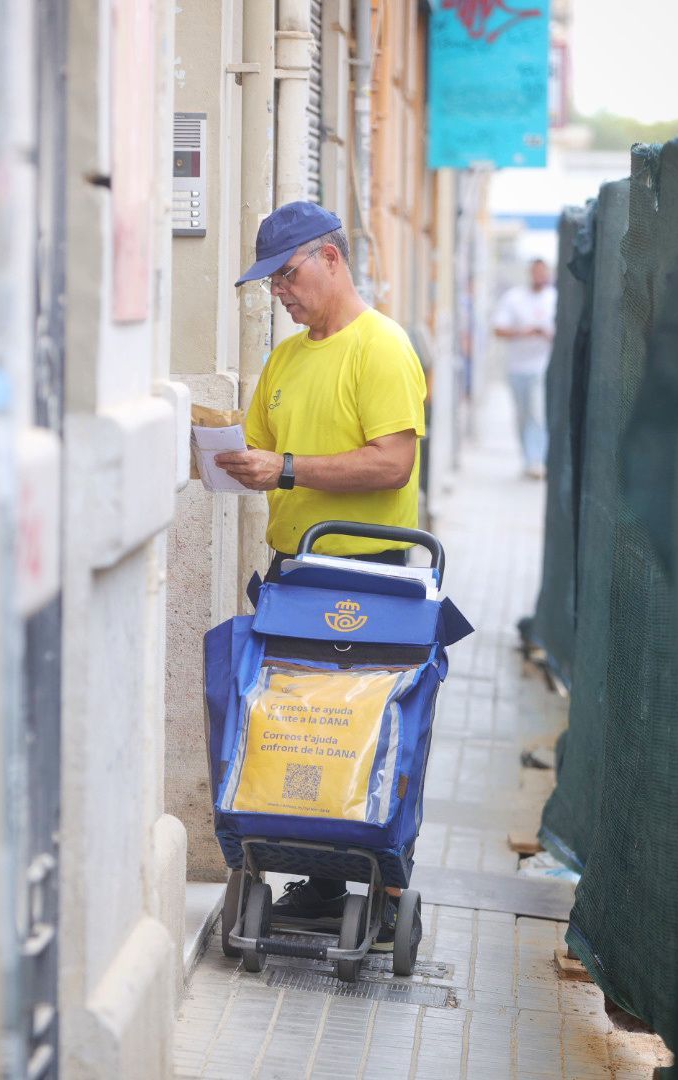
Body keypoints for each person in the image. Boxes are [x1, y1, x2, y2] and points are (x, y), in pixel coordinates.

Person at [213, 201, 427, 949]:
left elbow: (394, 460)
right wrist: (226, 457)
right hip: (294, 571)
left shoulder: (382, 348)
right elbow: (264, 457)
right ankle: (319, 874)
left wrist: (291, 468)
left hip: (368, 574)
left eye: (288, 272)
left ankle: (385, 879)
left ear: (331, 258)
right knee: (296, 726)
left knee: (365, 724)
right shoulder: (288, 358)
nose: (280, 290)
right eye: (270, 280)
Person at [492, 257, 557, 479]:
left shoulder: (554, 299)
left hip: (542, 367)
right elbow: (498, 330)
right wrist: (524, 333)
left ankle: (537, 461)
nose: (540, 276)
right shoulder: (514, 298)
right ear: (531, 273)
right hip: (517, 368)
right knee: (522, 416)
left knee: (538, 414)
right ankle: (528, 456)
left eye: (543, 272)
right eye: (536, 272)